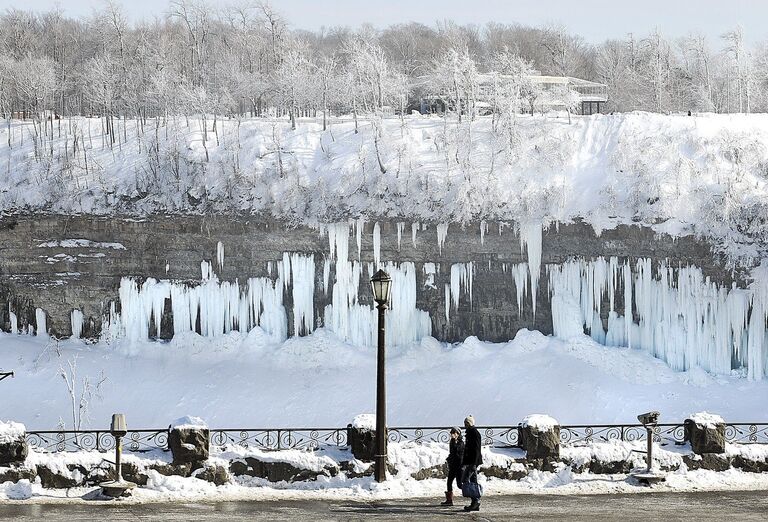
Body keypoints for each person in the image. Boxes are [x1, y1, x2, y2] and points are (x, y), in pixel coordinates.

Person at [461, 415, 483, 512]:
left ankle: (475, 501)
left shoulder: (474, 433)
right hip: (471, 461)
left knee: (466, 479)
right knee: (473, 481)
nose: (465, 425)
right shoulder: (470, 432)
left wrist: (473, 462)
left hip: (473, 461)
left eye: (466, 423)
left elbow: (476, 448)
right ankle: (476, 502)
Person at [441, 427, 464, 506]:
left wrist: (454, 441)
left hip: (459, 466)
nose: (452, 434)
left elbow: (457, 451)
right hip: (453, 465)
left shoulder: (461, 442)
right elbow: (452, 452)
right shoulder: (452, 441)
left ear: (458, 434)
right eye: (451, 433)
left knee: (460, 484)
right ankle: (449, 500)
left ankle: (473, 496)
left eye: (454, 433)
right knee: (449, 481)